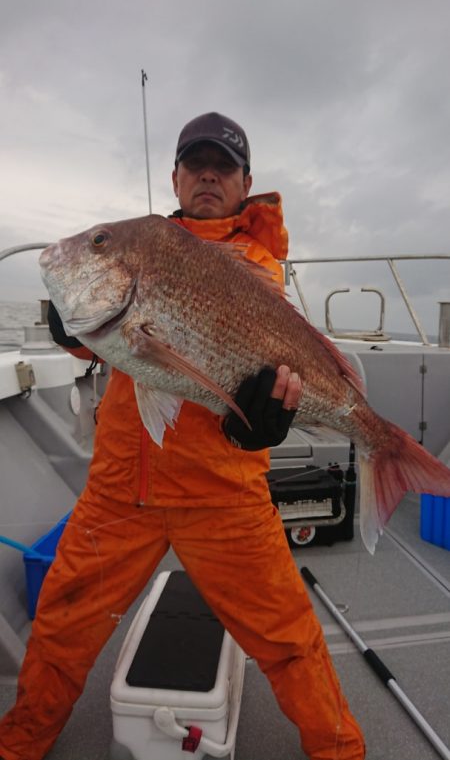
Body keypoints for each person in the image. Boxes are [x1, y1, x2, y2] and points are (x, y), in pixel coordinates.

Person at [0, 112, 365, 760]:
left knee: (288, 636)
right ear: (174, 176)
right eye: (195, 162)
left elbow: (244, 362)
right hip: (118, 490)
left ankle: (341, 750)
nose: (207, 174)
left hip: (223, 492)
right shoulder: (140, 246)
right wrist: (69, 323)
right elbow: (101, 331)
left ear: (246, 182)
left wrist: (265, 418)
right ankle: (19, 744)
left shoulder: (254, 267)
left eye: (222, 166)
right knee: (59, 622)